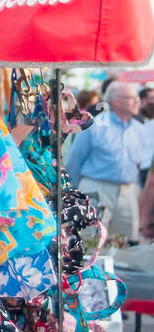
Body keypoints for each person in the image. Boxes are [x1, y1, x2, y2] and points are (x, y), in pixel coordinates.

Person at [67, 81, 145, 242]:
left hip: (128, 192)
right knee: (91, 242)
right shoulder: (94, 126)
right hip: (96, 188)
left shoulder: (139, 129)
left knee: (127, 243)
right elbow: (75, 161)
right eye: (132, 98)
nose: (137, 101)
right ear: (116, 101)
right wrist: (74, 195)